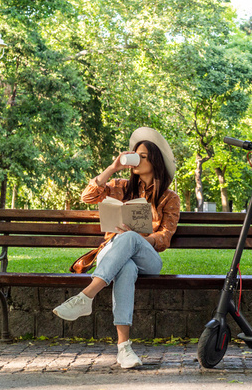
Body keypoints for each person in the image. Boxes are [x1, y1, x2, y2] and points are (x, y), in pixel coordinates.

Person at [53, 127, 180, 369]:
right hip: (113, 254)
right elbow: (88, 196)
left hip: (148, 258)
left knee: (131, 240)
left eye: (142, 156)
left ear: (156, 161)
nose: (136, 159)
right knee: (126, 268)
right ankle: (124, 349)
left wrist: (141, 239)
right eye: (135, 154)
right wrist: (113, 168)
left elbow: (165, 237)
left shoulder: (169, 197)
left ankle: (86, 296)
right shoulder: (121, 185)